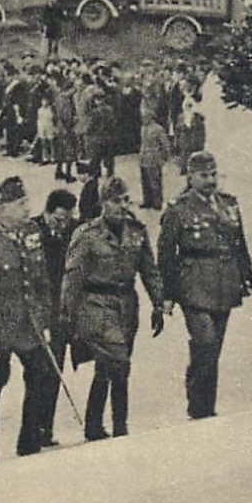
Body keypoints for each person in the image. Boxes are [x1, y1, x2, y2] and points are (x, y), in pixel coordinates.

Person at [63, 177, 163, 440]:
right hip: (96, 305)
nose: (122, 206)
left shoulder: (136, 231)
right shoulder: (87, 236)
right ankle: (121, 426)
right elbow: (72, 279)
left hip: (126, 306)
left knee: (109, 367)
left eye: (126, 200)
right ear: (102, 204)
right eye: (115, 201)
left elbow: (149, 271)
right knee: (119, 362)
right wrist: (68, 315)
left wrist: (158, 303)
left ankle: (94, 426)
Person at [158, 151, 252, 420]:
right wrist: (167, 294)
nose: (210, 180)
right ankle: (198, 406)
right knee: (205, 341)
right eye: (204, 175)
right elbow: (165, 254)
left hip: (225, 282)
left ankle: (205, 406)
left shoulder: (229, 204)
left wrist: (245, 276)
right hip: (194, 284)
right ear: (190, 177)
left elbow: (239, 242)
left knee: (214, 348)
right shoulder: (178, 209)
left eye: (213, 174)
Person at [0, 176, 54, 461]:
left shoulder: (32, 234)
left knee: (40, 377)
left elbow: (40, 283)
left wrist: (45, 321)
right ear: (2, 208)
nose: (27, 209)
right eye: (20, 203)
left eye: (27, 202)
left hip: (28, 328)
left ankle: (30, 444)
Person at [32, 188, 78, 448]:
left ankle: (44, 429)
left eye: (67, 220)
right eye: (58, 220)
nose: (62, 225)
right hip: (39, 312)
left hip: (61, 313)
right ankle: (34, 429)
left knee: (54, 371)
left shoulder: (74, 231)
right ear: (47, 212)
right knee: (39, 372)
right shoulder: (33, 232)